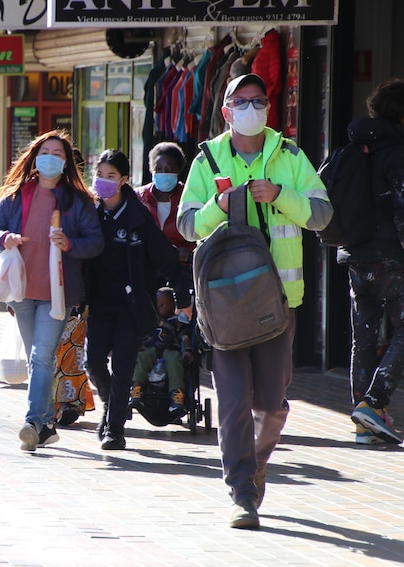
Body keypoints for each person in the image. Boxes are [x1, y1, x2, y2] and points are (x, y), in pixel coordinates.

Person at [176, 73, 331, 529]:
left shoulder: (290, 156)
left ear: (269, 107)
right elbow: (187, 226)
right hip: (223, 304)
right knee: (232, 400)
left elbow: (322, 214)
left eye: (258, 100)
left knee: (271, 402)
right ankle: (242, 491)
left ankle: (257, 461)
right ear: (225, 111)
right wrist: (218, 208)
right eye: (240, 101)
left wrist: (282, 196)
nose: (250, 107)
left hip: (279, 301)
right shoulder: (207, 159)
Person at [0, 130, 104, 452]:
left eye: (57, 153)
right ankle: (47, 427)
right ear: (35, 157)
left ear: (66, 164)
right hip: (22, 291)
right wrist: (4, 238)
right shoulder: (16, 196)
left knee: (40, 358)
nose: (50, 157)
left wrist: (70, 244)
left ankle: (33, 421)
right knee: (39, 361)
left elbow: (95, 242)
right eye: (45, 151)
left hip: (58, 293)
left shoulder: (78, 201)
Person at [84, 149, 180, 451]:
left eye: (111, 176)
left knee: (124, 366)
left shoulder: (138, 217)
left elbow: (165, 257)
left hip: (130, 305)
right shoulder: (90, 213)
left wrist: (184, 292)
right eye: (99, 175)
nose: (103, 182)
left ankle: (114, 429)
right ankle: (114, 400)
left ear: (124, 180)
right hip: (98, 303)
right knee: (94, 362)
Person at [345, 79, 404, 446]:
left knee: (363, 338)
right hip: (389, 259)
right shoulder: (397, 151)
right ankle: (373, 402)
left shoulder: (357, 147)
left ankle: (362, 419)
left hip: (355, 254)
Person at [136, 142, 195, 315]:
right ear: (151, 170)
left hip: (181, 269)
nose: (164, 173)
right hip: (147, 268)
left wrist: (187, 251)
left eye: (170, 169)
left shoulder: (189, 197)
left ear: (178, 171)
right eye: (159, 168)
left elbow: (199, 230)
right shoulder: (139, 197)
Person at [130, 287, 192, 418]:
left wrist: (186, 350)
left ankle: (177, 395)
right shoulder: (151, 320)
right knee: (142, 358)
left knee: (175, 360)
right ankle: (136, 389)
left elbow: (184, 337)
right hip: (151, 348)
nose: (159, 308)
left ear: (173, 306)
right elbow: (142, 335)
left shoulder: (177, 321)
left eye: (163, 305)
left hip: (171, 349)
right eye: (157, 304)